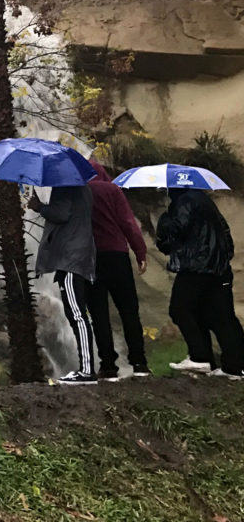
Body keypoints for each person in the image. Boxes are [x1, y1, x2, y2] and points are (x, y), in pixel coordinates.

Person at [157, 188, 244, 378]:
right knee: (221, 317)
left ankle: (200, 358)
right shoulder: (205, 202)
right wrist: (221, 259)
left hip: (196, 268)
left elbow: (174, 233)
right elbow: (226, 235)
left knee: (180, 309)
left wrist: (164, 220)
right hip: (219, 269)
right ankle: (234, 367)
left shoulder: (184, 202)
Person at [85, 159, 151, 380]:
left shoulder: (79, 191)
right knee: (129, 310)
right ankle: (139, 363)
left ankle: (108, 365)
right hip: (117, 256)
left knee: (99, 313)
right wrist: (140, 252)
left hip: (90, 258)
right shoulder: (112, 190)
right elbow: (128, 223)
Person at [29, 184, 97, 384]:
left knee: (76, 314)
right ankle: (87, 369)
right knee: (76, 313)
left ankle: (86, 370)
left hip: (70, 258)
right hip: (78, 254)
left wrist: (39, 207)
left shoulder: (65, 185)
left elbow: (61, 213)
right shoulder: (82, 187)